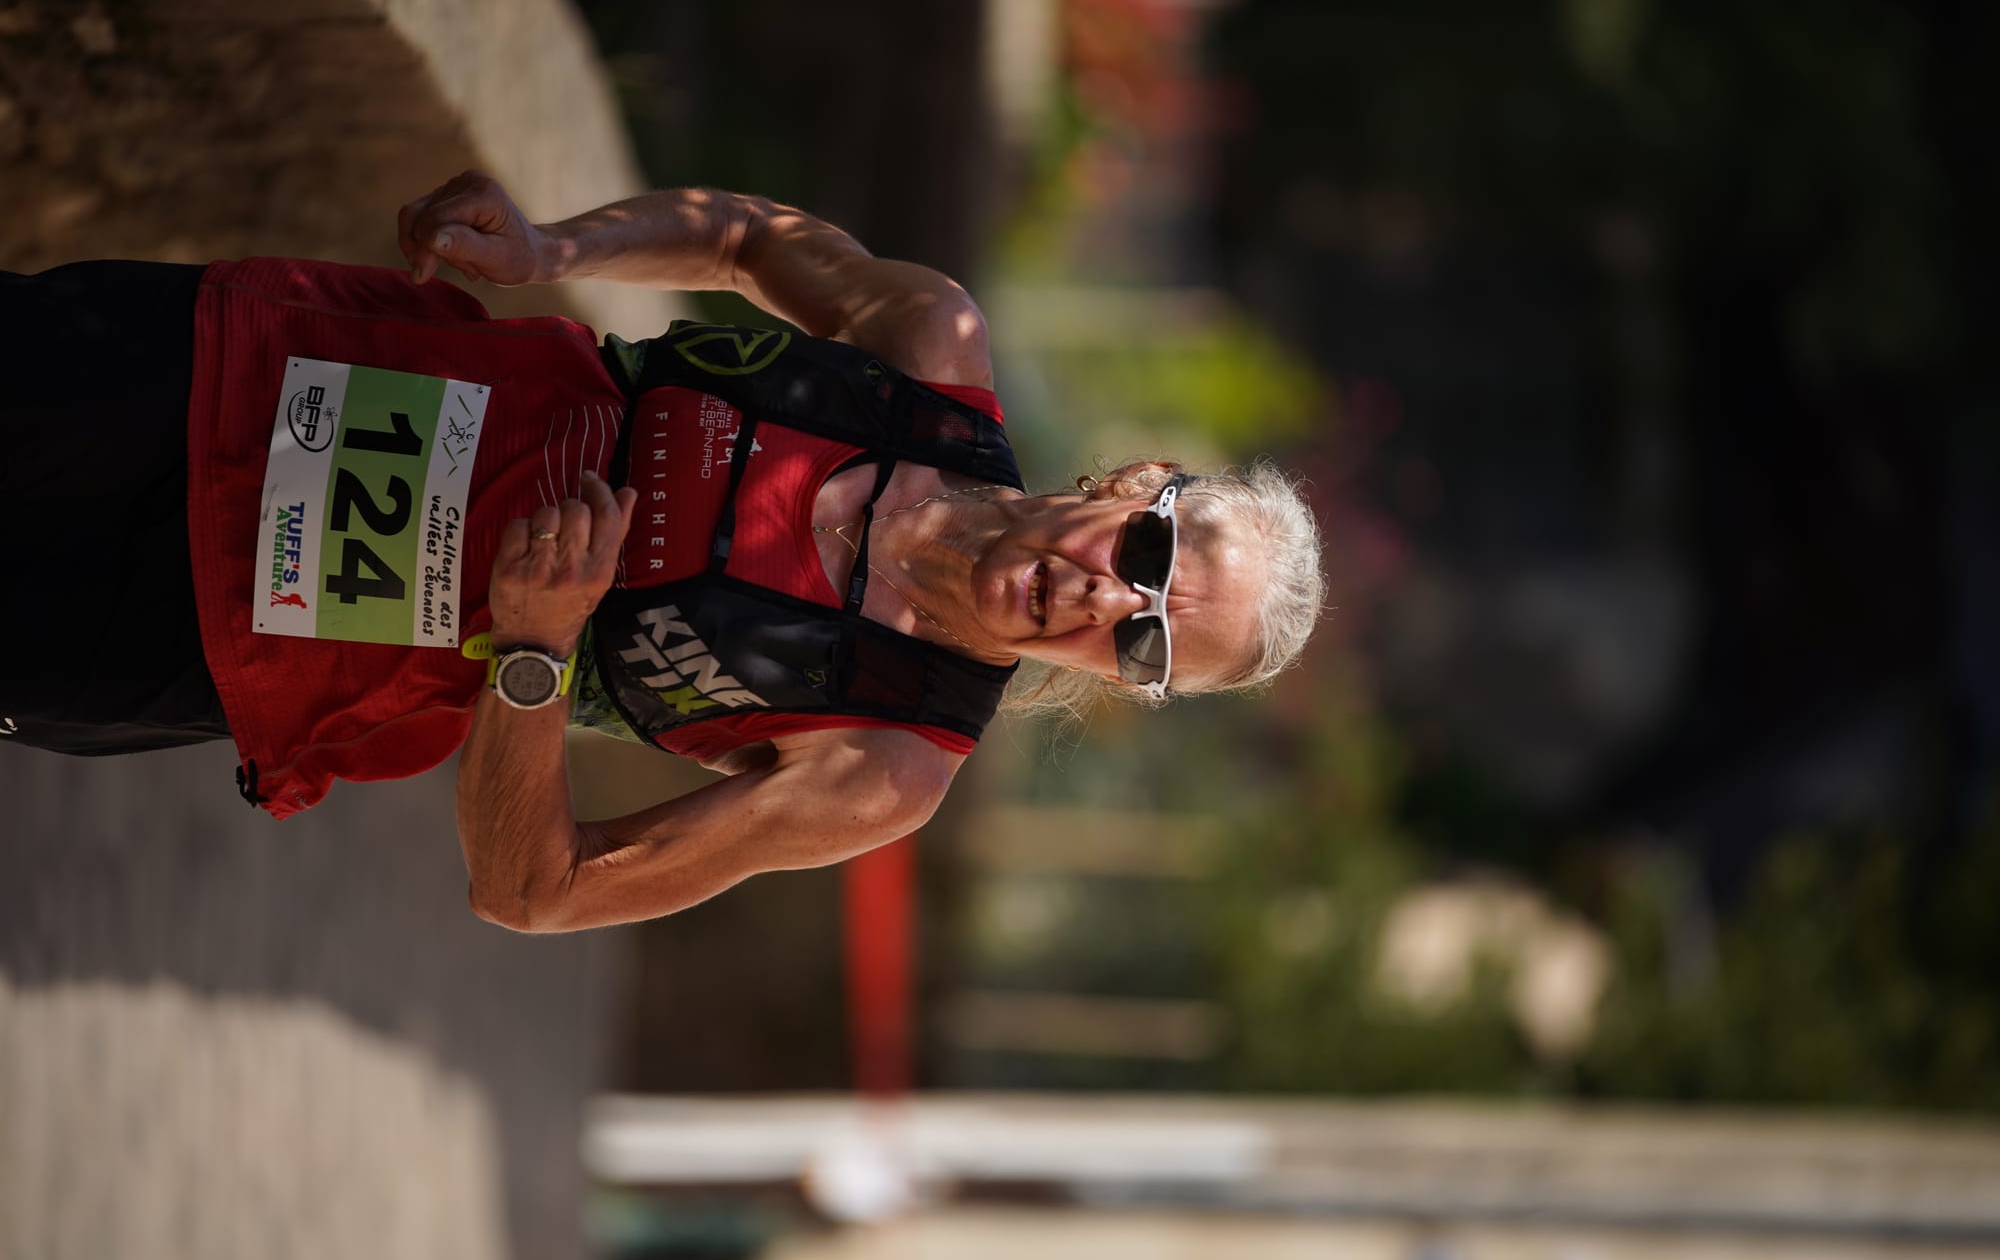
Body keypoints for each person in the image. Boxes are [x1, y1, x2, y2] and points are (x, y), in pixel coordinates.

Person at [2, 171, 1322, 930]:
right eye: (1150, 547)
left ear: (1119, 680)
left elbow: (536, 890)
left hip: (228, 627)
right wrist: (555, 246)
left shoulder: (883, 759)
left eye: (1143, 639)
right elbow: (744, 239)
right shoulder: (931, 351)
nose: (1105, 594)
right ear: (1136, 483)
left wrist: (534, 652)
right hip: (248, 375)